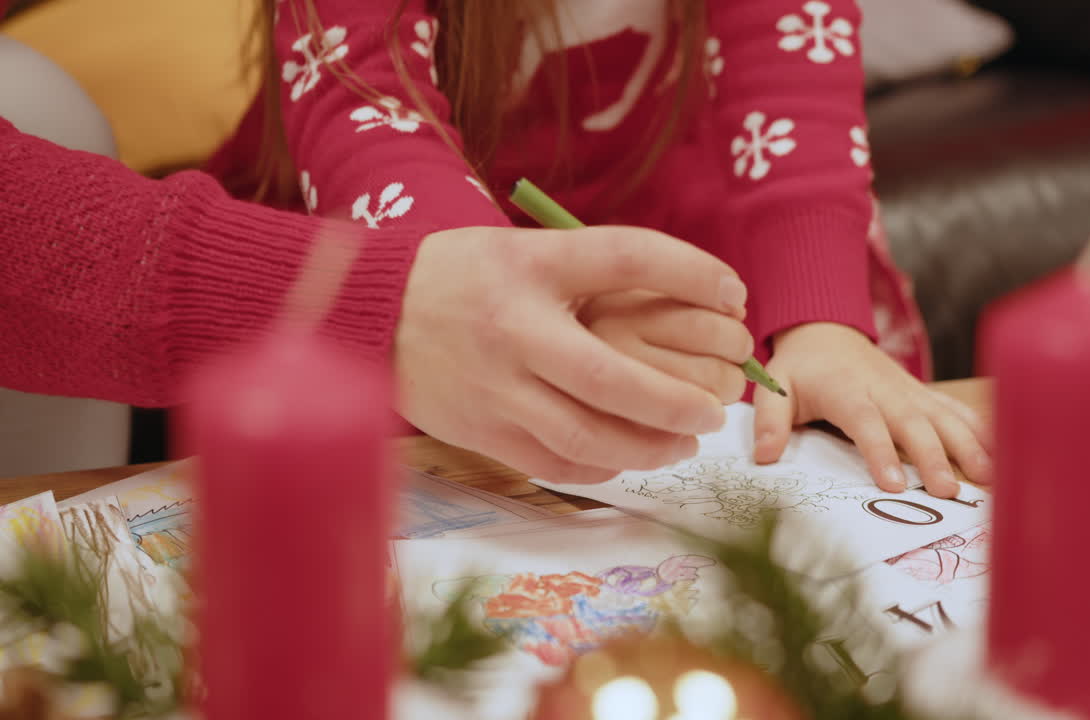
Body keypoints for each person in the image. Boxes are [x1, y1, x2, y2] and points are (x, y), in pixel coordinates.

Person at [212, 0, 991, 497]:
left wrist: (822, 325)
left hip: (649, 221)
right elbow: (368, 110)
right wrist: (500, 305)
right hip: (410, 258)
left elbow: (791, 51)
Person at [0, 1, 753, 484]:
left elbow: (793, 70)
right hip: (382, 304)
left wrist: (820, 316)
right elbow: (358, 91)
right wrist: (422, 297)